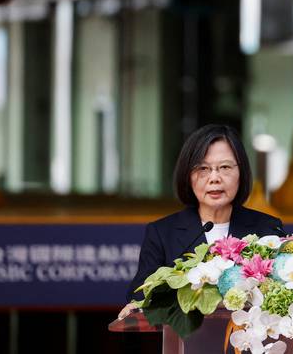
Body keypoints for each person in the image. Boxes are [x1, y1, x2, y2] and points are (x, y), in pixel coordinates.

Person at [118, 124, 284, 319]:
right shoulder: (162, 233)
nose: (214, 178)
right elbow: (140, 295)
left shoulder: (267, 229)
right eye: (203, 168)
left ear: (242, 172)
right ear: (188, 175)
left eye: (225, 167)